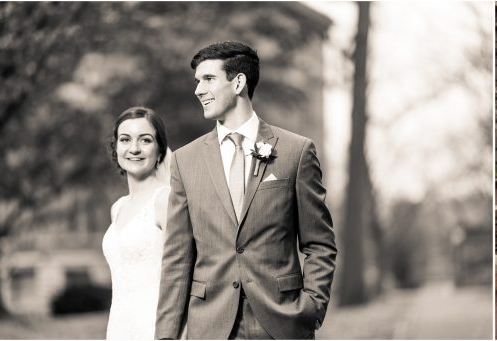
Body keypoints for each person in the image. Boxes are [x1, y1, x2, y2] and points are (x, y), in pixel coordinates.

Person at [155, 41, 337, 340]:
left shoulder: (295, 151)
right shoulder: (185, 161)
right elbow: (177, 257)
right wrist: (166, 335)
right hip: (211, 326)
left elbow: (320, 243)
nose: (198, 90)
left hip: (281, 322)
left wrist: (311, 307)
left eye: (208, 79)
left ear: (238, 82)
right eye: (197, 81)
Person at [103, 106, 171, 340]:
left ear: (160, 150)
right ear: (116, 147)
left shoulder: (165, 200)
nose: (134, 148)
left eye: (145, 140)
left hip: (155, 328)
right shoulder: (118, 207)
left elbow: (184, 272)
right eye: (125, 139)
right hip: (119, 327)